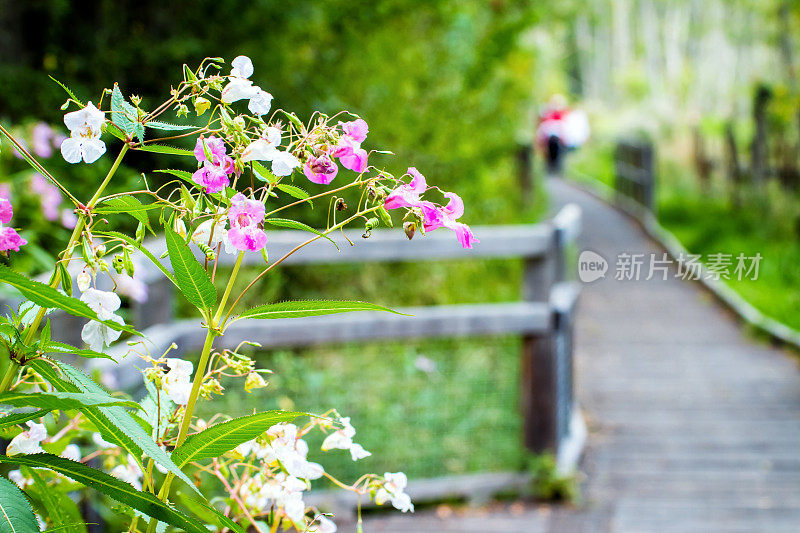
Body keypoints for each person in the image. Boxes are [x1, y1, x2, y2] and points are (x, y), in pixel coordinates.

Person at [536, 94, 590, 174]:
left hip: (561, 140)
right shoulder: (548, 115)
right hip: (552, 140)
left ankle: (557, 169)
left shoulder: (565, 115)